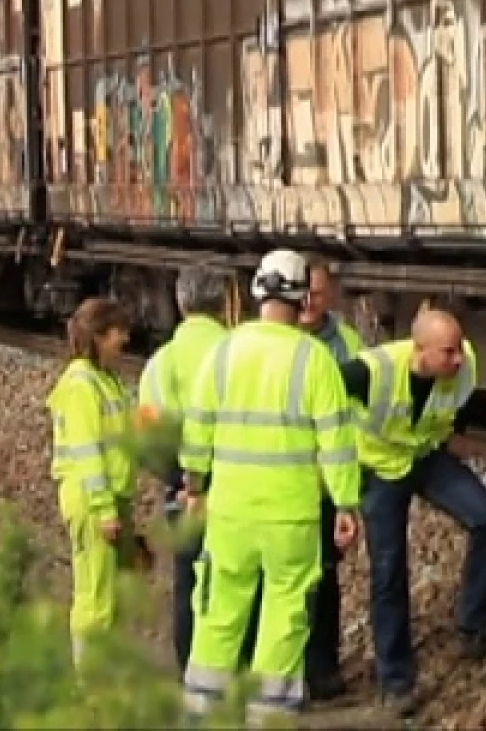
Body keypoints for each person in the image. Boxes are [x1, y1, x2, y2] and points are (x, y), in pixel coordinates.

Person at [178, 249, 363, 723]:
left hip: (230, 514)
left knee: (219, 612)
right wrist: (345, 504)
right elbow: (337, 442)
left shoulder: (222, 352)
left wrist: (195, 488)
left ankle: (203, 712)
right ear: (303, 298)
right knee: (285, 615)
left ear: (256, 291)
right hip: (292, 518)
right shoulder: (315, 359)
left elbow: (197, 430)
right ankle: (269, 715)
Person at [342, 306, 486, 717]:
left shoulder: (465, 368)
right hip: (382, 469)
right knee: (388, 571)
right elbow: (322, 405)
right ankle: (396, 680)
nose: (459, 358)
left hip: (425, 458)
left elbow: (452, 416)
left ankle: (475, 626)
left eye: (459, 348)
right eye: (448, 352)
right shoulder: (369, 371)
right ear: (419, 351)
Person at [136, 265, 257, 674]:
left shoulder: (161, 361)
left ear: (181, 303)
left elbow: (149, 434)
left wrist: (175, 480)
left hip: (185, 485)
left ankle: (192, 667)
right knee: (238, 575)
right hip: (238, 476)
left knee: (189, 575)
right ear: (225, 303)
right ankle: (238, 665)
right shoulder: (241, 350)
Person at [47, 295, 139, 669]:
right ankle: (92, 682)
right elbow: (88, 453)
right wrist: (104, 509)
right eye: (120, 332)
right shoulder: (82, 385)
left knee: (110, 595)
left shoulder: (106, 379)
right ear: (100, 336)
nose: (126, 340)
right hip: (93, 501)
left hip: (111, 498)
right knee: (95, 596)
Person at [295, 259, 362, 702]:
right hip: (281, 485)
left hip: (324, 486)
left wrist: (346, 493)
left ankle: (322, 670)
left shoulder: (348, 344)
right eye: (302, 292)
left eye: (317, 293)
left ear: (331, 295)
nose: (308, 302)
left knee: (324, 581)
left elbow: (356, 416)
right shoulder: (272, 342)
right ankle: (285, 672)